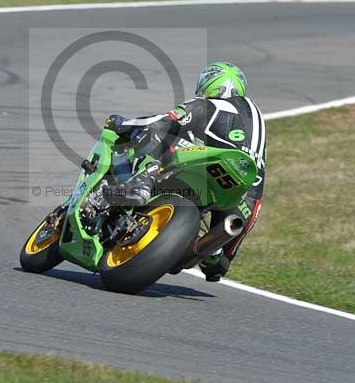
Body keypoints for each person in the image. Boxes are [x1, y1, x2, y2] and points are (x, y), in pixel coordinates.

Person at [103, 61, 266, 283]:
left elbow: (163, 121)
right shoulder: (255, 118)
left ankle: (143, 183)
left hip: (217, 160)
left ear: (208, 84)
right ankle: (210, 249)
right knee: (218, 266)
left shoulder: (207, 105)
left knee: (165, 136)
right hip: (248, 192)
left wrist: (125, 124)